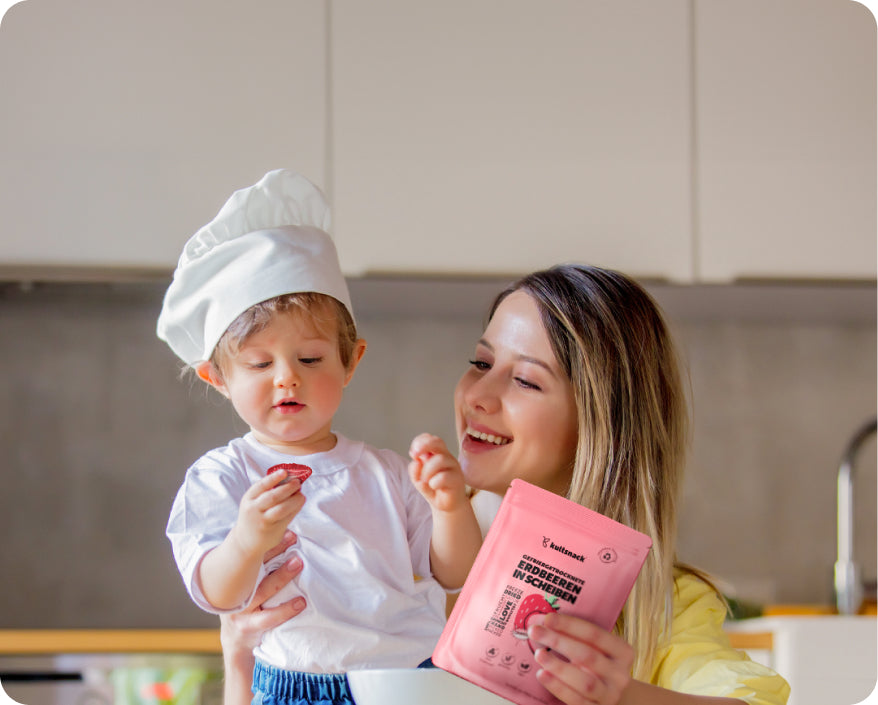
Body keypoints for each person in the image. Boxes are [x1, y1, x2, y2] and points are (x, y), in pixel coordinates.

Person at [222, 263, 790, 705]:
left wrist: (622, 696)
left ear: (601, 421)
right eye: (480, 362)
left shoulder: (660, 602)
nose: (478, 396)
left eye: (525, 380)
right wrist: (240, 658)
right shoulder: (390, 530)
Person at [157, 169, 482, 705]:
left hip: (408, 682)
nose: (287, 378)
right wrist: (246, 540)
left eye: (310, 359)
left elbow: (456, 573)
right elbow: (217, 593)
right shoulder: (223, 477)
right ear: (217, 379)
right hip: (296, 686)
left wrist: (450, 507)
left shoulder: (388, 474)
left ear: (350, 362)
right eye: (260, 364)